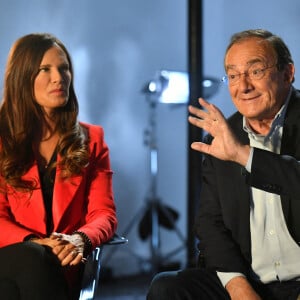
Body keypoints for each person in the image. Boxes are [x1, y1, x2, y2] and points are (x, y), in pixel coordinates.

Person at [147, 28, 300, 300]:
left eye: (255, 71)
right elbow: (210, 224)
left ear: (288, 73)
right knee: (167, 288)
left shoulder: (233, 144)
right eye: (233, 75)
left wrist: (244, 155)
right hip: (252, 281)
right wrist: (238, 287)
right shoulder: (222, 135)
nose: (243, 87)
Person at [0, 33, 117, 300]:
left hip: (62, 267)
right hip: (11, 257)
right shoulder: (2, 141)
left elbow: (104, 214)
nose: (59, 77)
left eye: (64, 68)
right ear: (23, 76)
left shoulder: (92, 139)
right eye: (45, 69)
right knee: (31, 257)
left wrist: (80, 240)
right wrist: (35, 242)